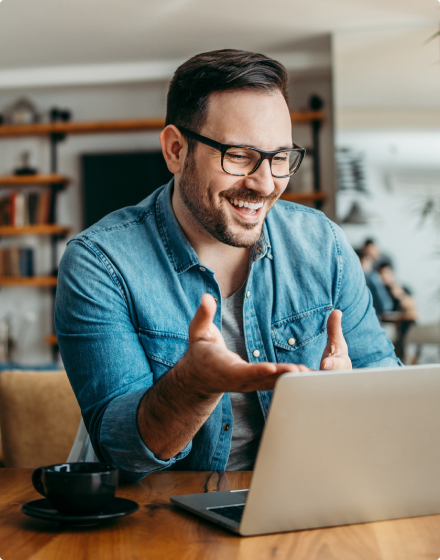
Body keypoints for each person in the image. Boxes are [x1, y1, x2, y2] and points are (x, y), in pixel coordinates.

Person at [55, 49, 400, 482]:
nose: (265, 183)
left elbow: (391, 393)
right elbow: (121, 454)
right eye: (239, 155)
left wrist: (350, 400)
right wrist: (193, 387)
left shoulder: (322, 244)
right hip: (158, 518)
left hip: (302, 495)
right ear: (176, 149)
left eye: (280, 158)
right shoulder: (99, 264)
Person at [355, 248, 393, 317]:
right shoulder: (373, 277)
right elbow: (386, 305)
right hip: (372, 318)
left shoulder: (351, 278)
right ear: (363, 261)